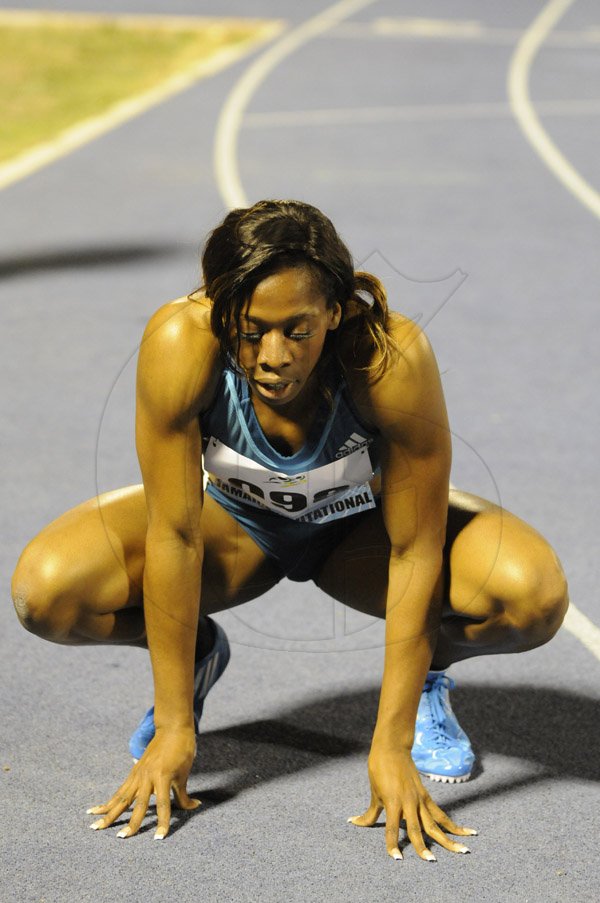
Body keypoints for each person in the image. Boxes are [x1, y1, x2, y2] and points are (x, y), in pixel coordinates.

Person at [11, 199, 568, 861]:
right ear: (222, 315)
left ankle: (426, 679)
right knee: (46, 594)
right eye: (251, 331)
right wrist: (176, 727)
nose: (273, 356)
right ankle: (193, 657)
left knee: (532, 597)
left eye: (297, 330)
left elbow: (415, 547)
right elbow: (175, 535)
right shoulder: (179, 344)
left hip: (358, 532)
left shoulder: (390, 358)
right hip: (235, 530)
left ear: (334, 311)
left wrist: (388, 745)